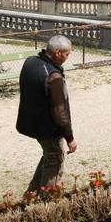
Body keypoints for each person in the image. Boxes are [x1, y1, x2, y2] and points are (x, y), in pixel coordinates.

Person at [16, 35, 77, 192]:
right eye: (67, 54)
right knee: (55, 158)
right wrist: (70, 138)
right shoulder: (53, 76)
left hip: (31, 122)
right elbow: (60, 112)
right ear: (57, 53)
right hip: (48, 128)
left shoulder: (31, 62)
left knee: (50, 156)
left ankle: (32, 194)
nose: (68, 57)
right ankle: (48, 199)